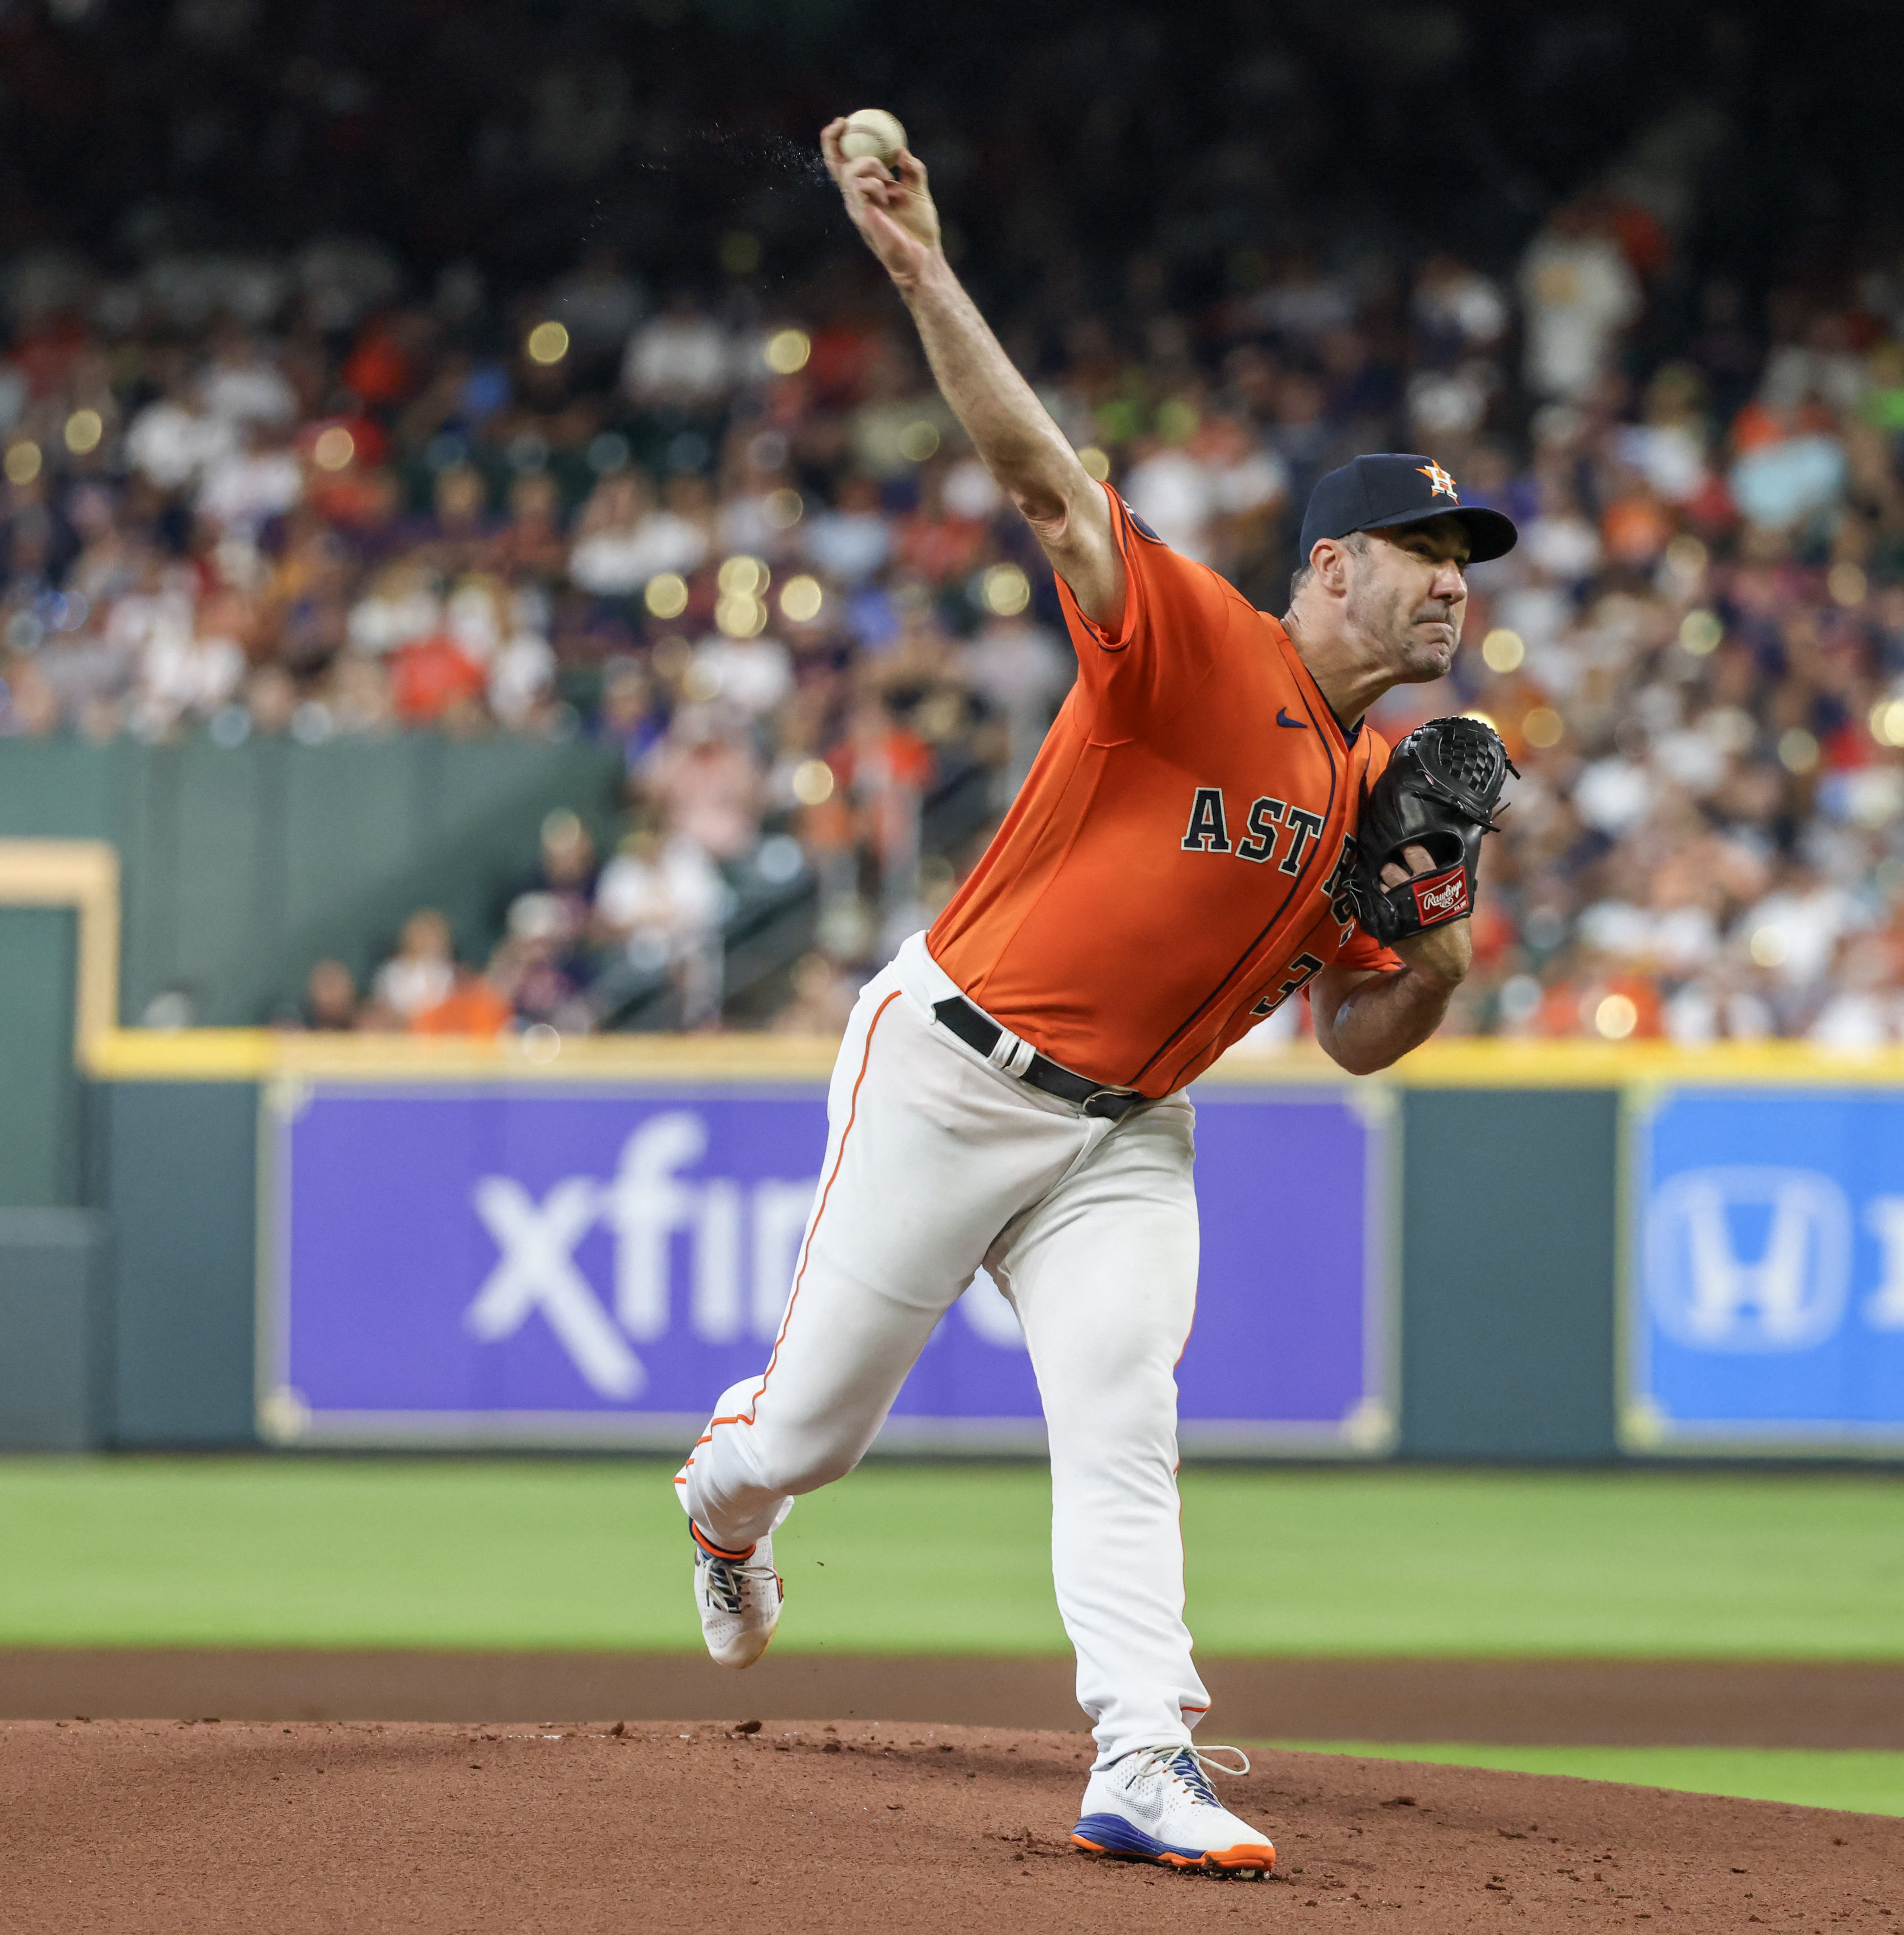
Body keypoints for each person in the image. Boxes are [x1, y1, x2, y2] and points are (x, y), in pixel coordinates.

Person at [670, 118, 1517, 1880]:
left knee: (1125, 1404)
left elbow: (1360, 1037)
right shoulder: (1205, 640)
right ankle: (721, 1501)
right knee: (809, 1434)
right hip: (950, 1072)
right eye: (1420, 543)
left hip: (1124, 1132)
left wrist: (1435, 941)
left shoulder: (1373, 799)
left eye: (1468, 553)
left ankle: (1142, 1749)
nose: (1452, 577)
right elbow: (1050, 485)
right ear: (1332, 565)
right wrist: (917, 263)